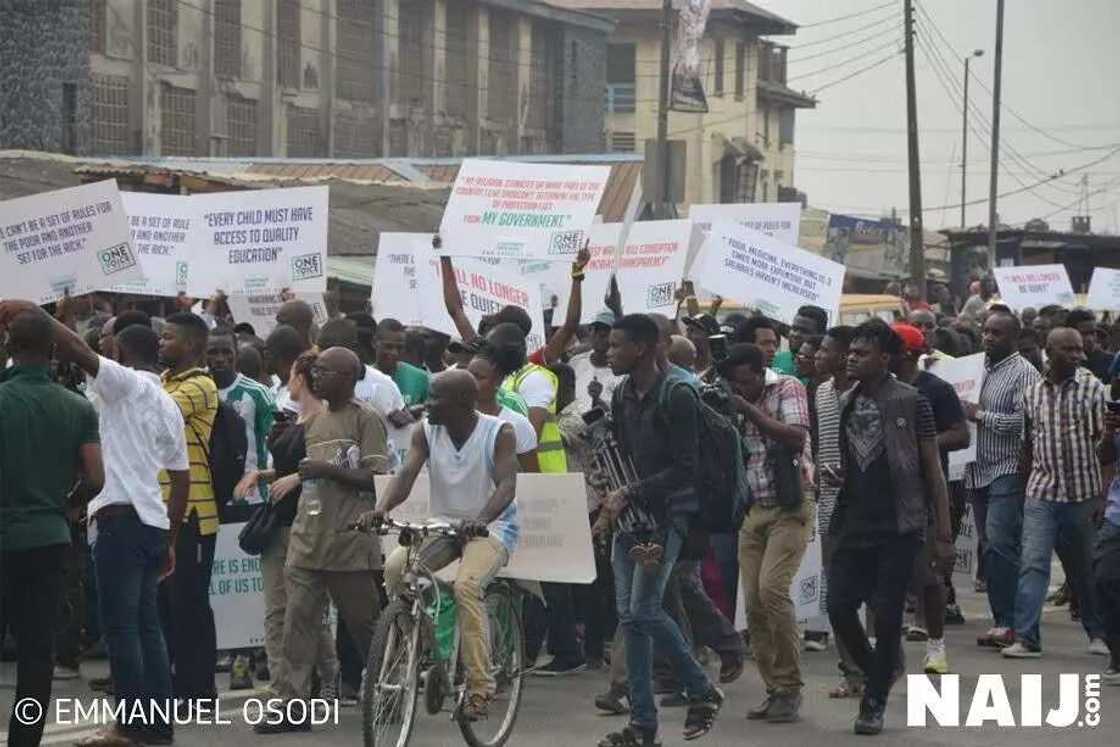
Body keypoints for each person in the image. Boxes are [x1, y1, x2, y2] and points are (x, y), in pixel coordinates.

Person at [26, 305, 190, 746]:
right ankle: (155, 728)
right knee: (147, 628)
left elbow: (76, 348)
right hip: (152, 524)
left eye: (109, 344)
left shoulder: (124, 383)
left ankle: (128, 727)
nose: (103, 348)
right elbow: (181, 480)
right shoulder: (168, 403)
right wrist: (170, 538)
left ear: (119, 350)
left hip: (120, 521)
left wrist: (32, 314)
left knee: (122, 629)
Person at [595, 314, 723, 747]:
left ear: (644, 349)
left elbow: (686, 469)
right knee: (631, 619)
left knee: (644, 610)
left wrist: (629, 492)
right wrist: (611, 498)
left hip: (662, 519)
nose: (607, 353)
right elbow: (624, 456)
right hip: (631, 519)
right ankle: (643, 727)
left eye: (616, 346)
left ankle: (703, 690)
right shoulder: (622, 394)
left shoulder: (679, 394)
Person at [363, 369, 520, 721]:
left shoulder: (499, 432)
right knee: (395, 569)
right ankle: (414, 643)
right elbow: (406, 475)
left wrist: (480, 518)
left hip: (492, 528)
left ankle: (481, 686)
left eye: (435, 398)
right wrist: (381, 508)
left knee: (466, 587)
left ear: (463, 402)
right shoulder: (426, 430)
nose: (426, 404)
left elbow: (507, 485)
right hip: (445, 525)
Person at [825, 319, 953, 735]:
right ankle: (882, 669)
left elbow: (932, 470)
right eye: (852, 352)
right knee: (839, 607)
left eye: (862, 353)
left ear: (885, 358)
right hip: (853, 522)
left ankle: (873, 701)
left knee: (887, 615)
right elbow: (857, 458)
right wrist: (841, 477)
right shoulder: (845, 400)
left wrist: (944, 535)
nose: (852, 358)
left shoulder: (912, 401)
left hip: (900, 526)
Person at [257, 347, 389, 733]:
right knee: (297, 624)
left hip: (349, 540)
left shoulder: (367, 420)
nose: (316, 377)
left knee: (365, 625)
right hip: (307, 537)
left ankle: (389, 688)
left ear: (348, 377)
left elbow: (376, 479)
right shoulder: (313, 423)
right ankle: (291, 704)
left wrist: (327, 470)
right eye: (313, 371)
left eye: (325, 371)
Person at [0, 304, 104, 747]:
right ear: (52, 351)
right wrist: (67, 507)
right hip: (48, 538)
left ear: (9, 346)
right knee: (37, 653)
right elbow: (96, 478)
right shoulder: (77, 407)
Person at [235, 352, 340, 700]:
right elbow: (287, 469)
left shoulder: (325, 421)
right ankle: (284, 685)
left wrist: (296, 477)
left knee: (305, 609)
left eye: (292, 374)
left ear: (301, 378)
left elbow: (329, 467)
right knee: (277, 610)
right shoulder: (292, 420)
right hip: (278, 523)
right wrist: (261, 475)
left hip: (308, 525)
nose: (287, 381)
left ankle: (328, 675)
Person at [718, 343, 811, 723]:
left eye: (745, 384)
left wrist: (748, 411)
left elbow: (796, 437)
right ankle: (775, 689)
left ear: (760, 373)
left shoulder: (787, 387)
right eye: (735, 386)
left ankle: (790, 686)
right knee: (754, 604)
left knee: (773, 590)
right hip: (752, 510)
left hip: (790, 507)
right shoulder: (730, 396)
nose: (740, 391)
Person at [1003, 327, 1109, 658]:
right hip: (1042, 492)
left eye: (1079, 350)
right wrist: (1023, 493)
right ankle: (1027, 638)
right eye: (1069, 350)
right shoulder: (1031, 394)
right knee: (1033, 563)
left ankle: (1099, 634)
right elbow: (1027, 445)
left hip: (1084, 495)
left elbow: (1107, 448)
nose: (1078, 355)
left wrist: (1104, 496)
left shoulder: (1092, 389)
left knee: (1086, 570)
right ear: (1049, 352)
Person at [889, 324, 970, 675]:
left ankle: (934, 643)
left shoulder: (935, 390)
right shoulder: (875, 390)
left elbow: (961, 434)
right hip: (885, 495)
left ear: (905, 353)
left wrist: (922, 445)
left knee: (928, 572)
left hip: (927, 490)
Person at [205, 328, 277, 689]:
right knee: (224, 580)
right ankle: (233, 653)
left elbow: (274, 439)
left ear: (236, 353)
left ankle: (252, 654)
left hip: (253, 498)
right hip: (211, 498)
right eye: (212, 352)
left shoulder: (257, 394)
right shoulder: (197, 390)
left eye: (225, 352)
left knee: (251, 580)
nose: (219, 359)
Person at [967, 310, 1041, 649]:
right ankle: (1001, 621)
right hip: (976, 469)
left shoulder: (1024, 373)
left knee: (1000, 543)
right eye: (985, 331)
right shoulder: (976, 368)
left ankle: (1013, 621)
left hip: (1007, 468)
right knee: (988, 547)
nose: (988, 338)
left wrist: (979, 415)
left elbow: (1023, 423)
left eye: (996, 333)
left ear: (1013, 337)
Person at [157, 311, 221, 701]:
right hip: (161, 507)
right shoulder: (163, 382)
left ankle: (198, 689)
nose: (161, 343)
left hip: (193, 513)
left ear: (193, 346)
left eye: (167, 337)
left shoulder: (200, 385)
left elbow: (157, 414)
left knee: (189, 603)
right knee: (165, 603)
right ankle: (174, 683)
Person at [812, 325, 862, 699]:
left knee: (876, 597)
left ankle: (880, 661)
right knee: (836, 595)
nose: (817, 355)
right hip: (831, 508)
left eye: (825, 350)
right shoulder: (821, 392)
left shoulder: (869, 393)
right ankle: (852, 671)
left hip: (871, 509)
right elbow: (819, 444)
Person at [467, 350, 540, 472]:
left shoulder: (518, 424)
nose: (471, 382)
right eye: (468, 375)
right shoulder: (454, 419)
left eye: (479, 377)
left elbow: (532, 476)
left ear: (498, 381)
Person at [1096, 402, 1120, 684]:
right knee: (1104, 578)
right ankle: (1117, 652)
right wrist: (1108, 432)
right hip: (1117, 514)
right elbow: (1104, 457)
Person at [569, 310, 623, 415]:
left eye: (606, 330)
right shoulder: (575, 362)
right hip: (571, 428)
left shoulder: (622, 373)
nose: (600, 334)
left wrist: (597, 400)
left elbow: (619, 418)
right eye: (596, 329)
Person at [375, 318, 430, 406]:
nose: (394, 353)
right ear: (374, 343)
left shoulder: (420, 378)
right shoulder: (362, 376)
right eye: (388, 347)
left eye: (399, 347)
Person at [772, 305, 828, 381]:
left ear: (820, 334)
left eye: (804, 331)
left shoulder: (823, 371)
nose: (796, 334)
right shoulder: (777, 359)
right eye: (794, 328)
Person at [266, 324, 310, 413]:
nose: (264, 357)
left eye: (267, 353)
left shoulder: (298, 394)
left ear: (279, 357)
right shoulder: (274, 389)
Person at [1067, 309, 1113, 384]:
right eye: (1084, 334)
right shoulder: (1064, 363)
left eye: (1093, 333)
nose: (1090, 339)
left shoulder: (1111, 361)